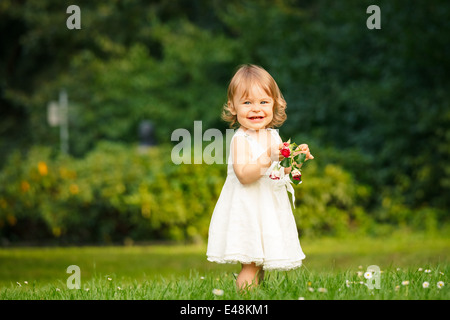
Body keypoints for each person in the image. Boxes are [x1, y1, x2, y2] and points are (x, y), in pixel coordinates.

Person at [206, 64, 313, 290]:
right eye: (247, 102)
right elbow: (244, 175)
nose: (256, 109)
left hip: (267, 208)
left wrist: (296, 159)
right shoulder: (241, 139)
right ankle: (244, 301)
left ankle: (256, 297)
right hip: (248, 209)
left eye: (264, 102)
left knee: (259, 263)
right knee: (251, 265)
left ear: (275, 104)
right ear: (233, 107)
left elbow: (280, 170)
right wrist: (268, 155)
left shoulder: (273, 134)